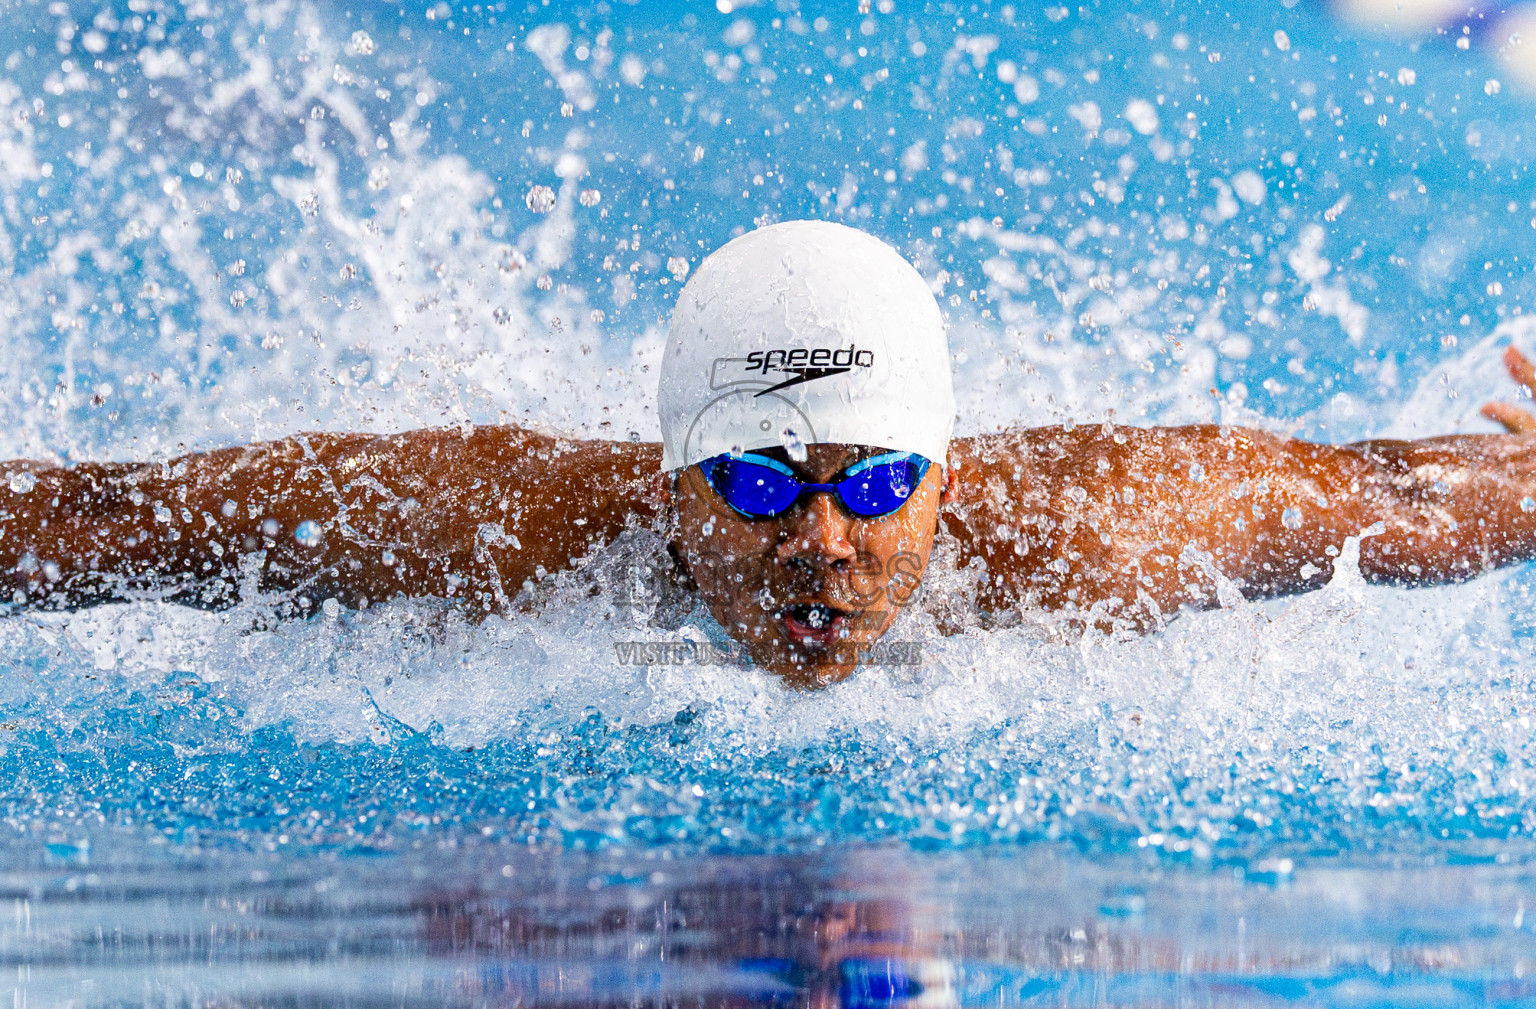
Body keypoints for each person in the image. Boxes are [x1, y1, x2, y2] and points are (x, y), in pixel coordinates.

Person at [2, 221, 1534, 690]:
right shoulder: (497, 527)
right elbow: (104, 519)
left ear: (943, 477)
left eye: (874, 488)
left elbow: (1411, 495)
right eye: (752, 484)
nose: (821, 545)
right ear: (668, 481)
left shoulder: (1094, 532)